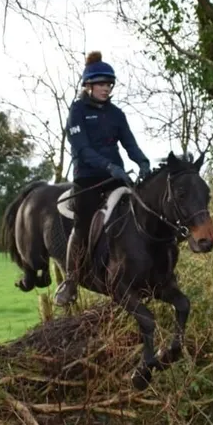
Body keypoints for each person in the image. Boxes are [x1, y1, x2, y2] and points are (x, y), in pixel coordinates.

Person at [54, 51, 151, 306]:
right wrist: (109, 166)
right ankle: (71, 280)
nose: (106, 89)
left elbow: (130, 143)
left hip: (116, 176)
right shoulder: (77, 111)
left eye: (109, 84)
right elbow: (83, 150)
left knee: (139, 211)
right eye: (101, 84)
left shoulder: (117, 114)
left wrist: (142, 161)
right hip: (88, 178)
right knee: (83, 223)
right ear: (88, 85)